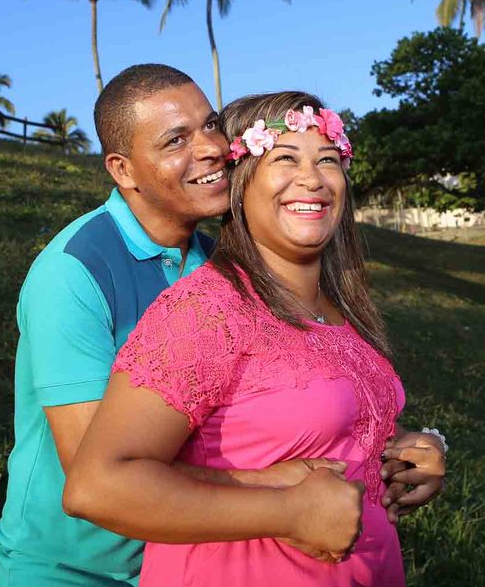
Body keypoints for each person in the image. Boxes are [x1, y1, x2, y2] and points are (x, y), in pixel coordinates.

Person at [0, 68, 365, 586]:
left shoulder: (220, 265)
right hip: (72, 567)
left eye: (210, 125)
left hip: (181, 555)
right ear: (123, 171)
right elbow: (92, 469)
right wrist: (267, 487)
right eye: (176, 140)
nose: (211, 148)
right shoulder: (73, 272)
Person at [65, 92, 446, 587]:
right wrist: (286, 513)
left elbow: (325, 427)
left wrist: (410, 453)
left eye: (327, 160)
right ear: (240, 183)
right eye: (285, 158)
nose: (312, 179)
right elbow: (97, 486)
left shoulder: (340, 310)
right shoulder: (205, 312)